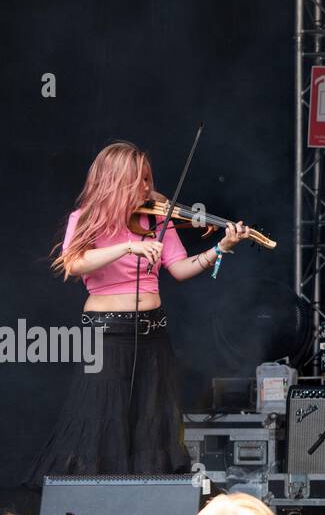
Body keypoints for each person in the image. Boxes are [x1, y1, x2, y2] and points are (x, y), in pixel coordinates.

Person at [27, 141, 252, 485]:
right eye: (139, 180)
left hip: (152, 332)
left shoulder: (156, 217)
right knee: (103, 419)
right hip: (106, 335)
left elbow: (179, 268)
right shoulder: (86, 218)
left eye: (148, 179)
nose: (148, 188)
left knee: (149, 419)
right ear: (116, 180)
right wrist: (128, 246)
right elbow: (74, 264)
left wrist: (219, 248)